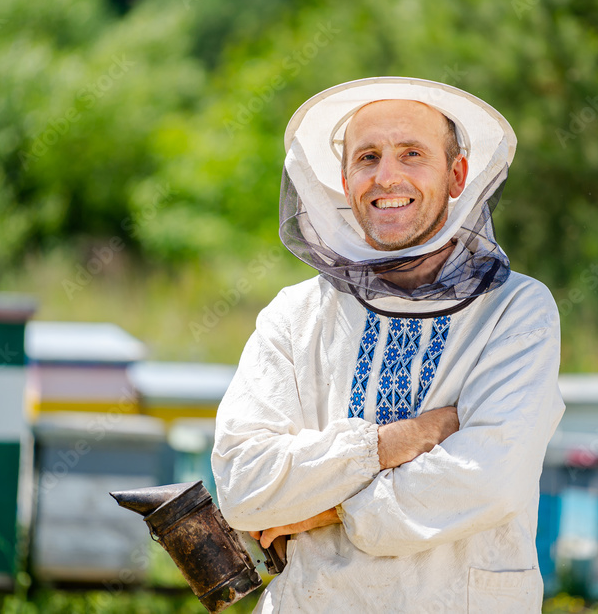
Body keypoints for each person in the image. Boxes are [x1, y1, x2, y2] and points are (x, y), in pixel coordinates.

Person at [212, 77, 564, 612]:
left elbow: (489, 479)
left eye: (412, 154)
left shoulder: (517, 311)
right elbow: (242, 485)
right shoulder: (294, 314)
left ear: (457, 175)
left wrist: (322, 511)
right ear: (345, 178)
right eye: (368, 157)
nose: (387, 176)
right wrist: (399, 441)